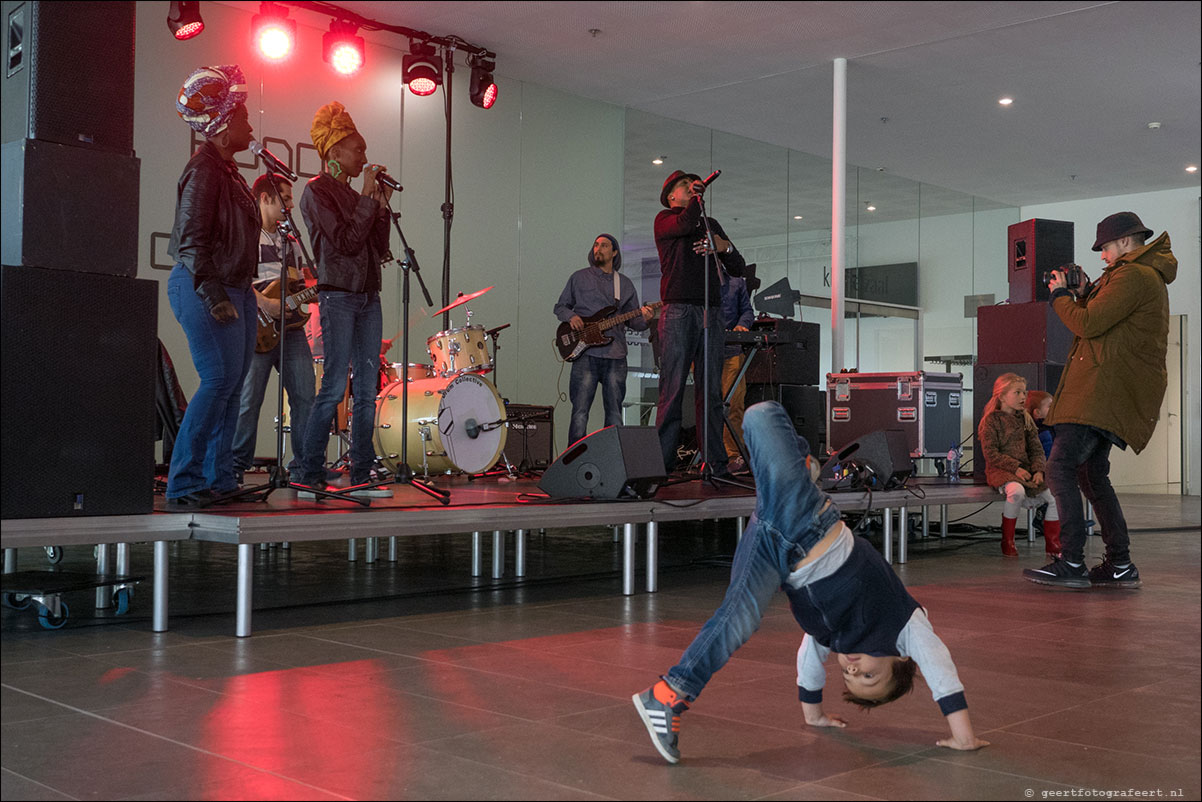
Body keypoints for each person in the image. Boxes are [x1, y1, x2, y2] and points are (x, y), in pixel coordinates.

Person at [633, 402, 987, 764]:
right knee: (762, 414)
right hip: (805, 521)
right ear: (899, 658)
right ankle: (802, 464)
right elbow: (937, 663)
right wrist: (963, 734)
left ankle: (667, 695)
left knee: (738, 618)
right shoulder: (902, 626)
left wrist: (813, 714)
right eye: (868, 674)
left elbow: (808, 663)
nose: (852, 668)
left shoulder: (830, 638)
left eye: (850, 678)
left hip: (775, 553)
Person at [1023, 212, 1176, 589]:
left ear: (1125, 242)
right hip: (1108, 393)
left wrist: (1059, 296)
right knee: (1091, 475)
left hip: (1099, 392)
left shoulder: (1134, 275)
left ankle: (1072, 560)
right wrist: (1088, 290)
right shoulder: (1135, 277)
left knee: (1059, 468)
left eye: (1105, 247)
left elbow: (1088, 324)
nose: (1103, 256)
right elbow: (1105, 319)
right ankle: (1119, 564)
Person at [164, 65, 258, 509]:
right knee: (218, 380)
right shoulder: (203, 171)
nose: (250, 122)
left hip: (233, 287)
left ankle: (219, 480)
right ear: (222, 130)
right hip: (203, 286)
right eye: (242, 116)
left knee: (233, 385)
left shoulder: (228, 171)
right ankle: (182, 482)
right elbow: (191, 241)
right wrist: (215, 294)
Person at [294, 102, 393, 498]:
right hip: (338, 297)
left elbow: (379, 247)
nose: (365, 158)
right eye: (358, 150)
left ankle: (361, 474)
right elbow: (346, 242)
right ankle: (307, 469)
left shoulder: (356, 195)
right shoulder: (316, 192)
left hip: (369, 295)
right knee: (335, 387)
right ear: (334, 151)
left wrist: (380, 206)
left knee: (368, 389)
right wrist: (368, 198)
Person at [654, 170, 746, 475]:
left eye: (693, 187)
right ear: (671, 196)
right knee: (673, 388)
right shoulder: (665, 219)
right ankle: (661, 465)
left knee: (711, 392)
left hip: (711, 310)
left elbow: (739, 266)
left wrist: (724, 248)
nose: (691, 190)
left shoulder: (710, 224)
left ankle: (715, 463)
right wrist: (697, 199)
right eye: (685, 186)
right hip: (678, 309)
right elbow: (683, 223)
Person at [230, 173, 318, 483]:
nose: (291, 205)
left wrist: (315, 289)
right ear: (265, 199)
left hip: (291, 330)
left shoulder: (290, 240)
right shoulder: (245, 234)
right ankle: (235, 468)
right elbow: (237, 279)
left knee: (306, 395)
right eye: (286, 198)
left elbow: (294, 286)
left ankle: (305, 468)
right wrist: (264, 305)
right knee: (248, 400)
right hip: (256, 329)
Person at [554, 234, 654, 446]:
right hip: (585, 353)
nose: (598, 248)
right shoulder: (578, 277)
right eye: (596, 245)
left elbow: (633, 322)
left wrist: (645, 319)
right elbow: (560, 306)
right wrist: (571, 317)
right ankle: (574, 463)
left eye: (604, 245)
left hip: (615, 355)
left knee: (615, 414)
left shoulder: (624, 284)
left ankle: (613, 462)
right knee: (580, 413)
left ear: (614, 252)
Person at [977, 373, 1060, 558]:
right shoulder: (991, 421)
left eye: (1024, 392)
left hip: (1027, 471)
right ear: (1002, 396)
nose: (1023, 397)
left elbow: (1036, 449)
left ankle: (1053, 544)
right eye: (1017, 392)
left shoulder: (1025, 419)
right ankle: (1008, 541)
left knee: (1054, 496)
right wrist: (1015, 468)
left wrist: (1039, 469)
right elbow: (991, 453)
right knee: (1016, 491)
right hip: (1002, 471)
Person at [719, 273, 754, 471]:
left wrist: (743, 325)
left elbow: (748, 311)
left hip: (731, 351)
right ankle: (711, 454)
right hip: (705, 352)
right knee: (708, 406)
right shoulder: (699, 280)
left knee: (733, 404)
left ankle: (733, 456)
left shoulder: (737, 282)